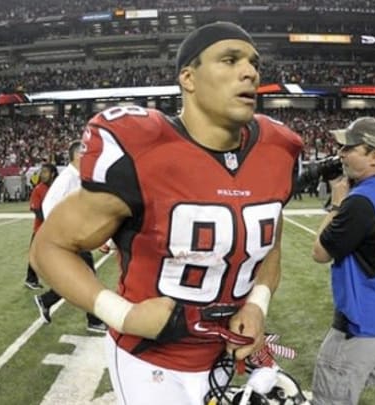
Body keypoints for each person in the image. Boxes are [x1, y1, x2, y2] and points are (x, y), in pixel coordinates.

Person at [30, 21, 303, 405]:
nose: (250, 72)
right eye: (230, 59)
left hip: (224, 358)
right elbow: (49, 247)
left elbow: (270, 241)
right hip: (149, 362)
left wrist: (257, 304)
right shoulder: (145, 151)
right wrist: (122, 314)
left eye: (253, 63)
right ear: (188, 78)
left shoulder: (277, 150)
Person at [311, 116, 375, 405]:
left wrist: (336, 201)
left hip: (362, 320)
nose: (341, 153)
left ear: (374, 156)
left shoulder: (359, 201)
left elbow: (320, 253)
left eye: (350, 147)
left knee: (330, 395)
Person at [33, 141, 107, 333]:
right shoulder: (67, 179)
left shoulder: (78, 178)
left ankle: (46, 300)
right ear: (77, 156)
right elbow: (48, 205)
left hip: (77, 235)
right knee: (87, 278)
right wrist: (61, 232)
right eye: (86, 153)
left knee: (80, 279)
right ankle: (94, 321)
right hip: (70, 237)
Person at [24, 163, 57, 289]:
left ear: (52, 174)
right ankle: (31, 279)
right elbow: (36, 210)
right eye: (41, 172)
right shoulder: (38, 189)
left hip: (55, 228)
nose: (42, 175)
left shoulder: (57, 187)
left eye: (45, 172)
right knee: (36, 255)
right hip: (41, 229)